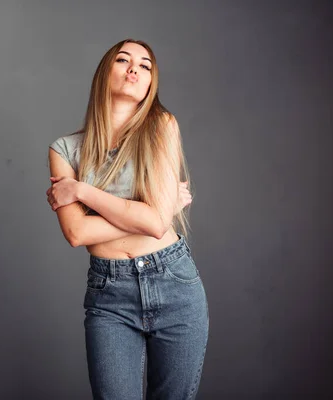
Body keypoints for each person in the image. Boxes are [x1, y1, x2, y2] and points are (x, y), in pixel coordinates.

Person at [46, 39, 209, 400]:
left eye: (145, 65)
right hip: (109, 296)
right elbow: (77, 232)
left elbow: (154, 226)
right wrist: (157, 211)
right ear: (105, 73)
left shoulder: (162, 127)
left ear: (151, 84)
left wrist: (83, 193)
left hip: (174, 284)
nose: (134, 68)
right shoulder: (64, 150)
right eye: (123, 60)